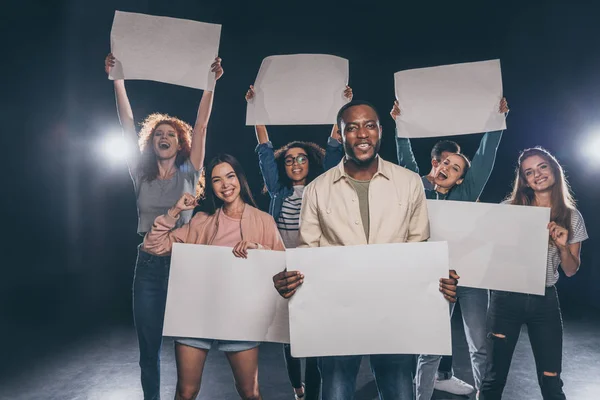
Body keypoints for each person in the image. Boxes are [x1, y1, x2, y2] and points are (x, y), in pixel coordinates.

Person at [273, 100, 460, 400]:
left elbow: (419, 250)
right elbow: (308, 256)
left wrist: (438, 279)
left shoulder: (409, 183)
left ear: (380, 131)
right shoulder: (317, 189)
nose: (362, 134)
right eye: (352, 128)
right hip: (337, 317)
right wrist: (289, 279)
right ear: (341, 135)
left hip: (395, 315)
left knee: (399, 393)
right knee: (335, 393)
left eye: (369, 125)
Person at [104, 53, 222, 400]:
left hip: (186, 263)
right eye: (159, 134)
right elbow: (126, 122)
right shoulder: (140, 173)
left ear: (179, 141)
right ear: (151, 142)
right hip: (150, 266)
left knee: (187, 350)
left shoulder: (190, 170)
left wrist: (210, 84)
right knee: (148, 352)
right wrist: (118, 79)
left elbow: (201, 124)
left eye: (171, 133)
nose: (165, 136)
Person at [390, 98, 509, 400]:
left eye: (455, 167)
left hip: (469, 279)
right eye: (445, 162)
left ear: (460, 178)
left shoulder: (466, 194)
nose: (447, 168)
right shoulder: (417, 187)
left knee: (479, 345)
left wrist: (496, 123)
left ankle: (487, 395)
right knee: (430, 347)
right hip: (436, 280)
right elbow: (405, 158)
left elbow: (485, 157)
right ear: (437, 164)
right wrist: (399, 124)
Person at [143, 154, 285, 400]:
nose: (225, 184)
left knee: (249, 392)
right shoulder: (201, 220)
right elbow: (154, 246)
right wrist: (175, 211)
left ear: (239, 178)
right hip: (197, 315)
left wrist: (259, 251)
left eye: (230, 176)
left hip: (241, 317)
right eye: (217, 180)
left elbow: (283, 270)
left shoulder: (264, 221)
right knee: (186, 392)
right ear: (211, 186)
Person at [245, 84, 352, 399]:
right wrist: (256, 111)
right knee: (289, 338)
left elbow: (335, 147)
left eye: (301, 159)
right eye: (289, 160)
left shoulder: (322, 185)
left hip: (317, 268)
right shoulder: (278, 192)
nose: (295, 164)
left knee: (316, 337)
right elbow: (265, 151)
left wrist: (341, 105)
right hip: (285, 267)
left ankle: (315, 393)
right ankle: (297, 388)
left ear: (310, 162)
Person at [479, 147, 588, 400]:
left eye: (542, 167)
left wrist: (562, 246)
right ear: (524, 181)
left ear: (554, 169)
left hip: (545, 300)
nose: (537, 174)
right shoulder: (508, 209)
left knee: (551, 381)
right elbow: (485, 250)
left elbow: (571, 270)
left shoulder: (572, 217)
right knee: (494, 379)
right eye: (529, 172)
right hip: (506, 298)